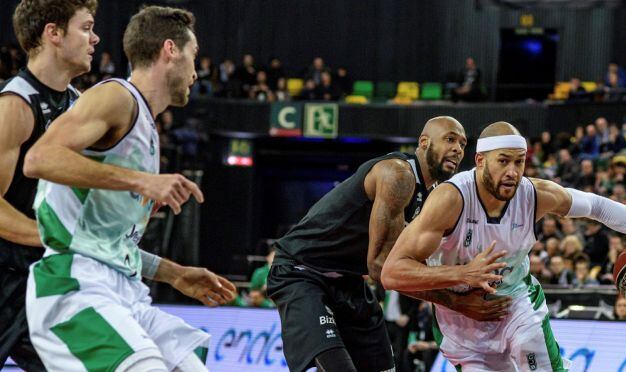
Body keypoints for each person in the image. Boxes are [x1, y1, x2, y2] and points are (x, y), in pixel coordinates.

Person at [0, 2, 234, 370]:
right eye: (86, 27)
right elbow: (39, 161)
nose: (96, 38)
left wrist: (174, 273)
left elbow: (105, 241)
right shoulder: (105, 98)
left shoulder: (123, 118)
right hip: (57, 280)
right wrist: (144, 182)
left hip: (107, 285)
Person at [382, 121, 626, 371]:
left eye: (519, 161)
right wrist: (460, 276)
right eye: (504, 161)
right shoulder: (451, 199)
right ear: (480, 160)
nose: (513, 171)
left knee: (531, 347)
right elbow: (392, 273)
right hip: (460, 322)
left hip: (516, 305)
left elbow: (597, 206)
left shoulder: (534, 194)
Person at [267, 116, 511, 372]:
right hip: (302, 271)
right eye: (450, 139)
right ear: (424, 143)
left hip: (348, 282)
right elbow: (382, 268)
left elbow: (421, 265)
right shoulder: (398, 174)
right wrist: (456, 294)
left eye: (462, 143)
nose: (458, 149)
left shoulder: (439, 193)